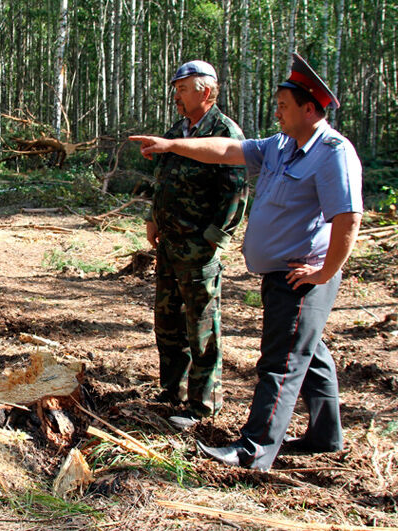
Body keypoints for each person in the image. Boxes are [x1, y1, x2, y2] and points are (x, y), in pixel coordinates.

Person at [130, 53, 363, 471]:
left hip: (303, 275)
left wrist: (325, 272)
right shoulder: (280, 146)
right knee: (310, 354)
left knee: (281, 365)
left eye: (283, 106)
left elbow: (348, 217)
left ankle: (253, 450)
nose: (276, 112)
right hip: (279, 273)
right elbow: (224, 150)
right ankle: (326, 437)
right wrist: (170, 145)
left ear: (310, 109)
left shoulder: (332, 152)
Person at [143, 60, 248, 430]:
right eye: (176, 89)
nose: (176, 95)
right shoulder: (179, 129)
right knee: (167, 322)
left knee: (201, 327)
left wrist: (214, 239)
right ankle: (171, 389)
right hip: (170, 245)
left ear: (205, 90)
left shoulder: (225, 132)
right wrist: (153, 219)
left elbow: (235, 191)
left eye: (183, 88)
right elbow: (162, 178)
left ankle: (203, 406)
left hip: (198, 249)